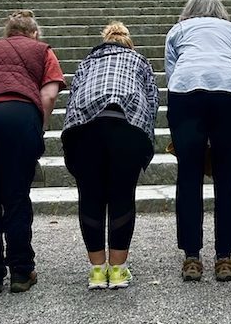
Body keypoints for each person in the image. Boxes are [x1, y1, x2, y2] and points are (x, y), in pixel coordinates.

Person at [0, 10, 65, 295]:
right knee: (16, 197)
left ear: (8, 32)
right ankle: (21, 272)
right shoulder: (42, 50)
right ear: (34, 33)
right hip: (18, 114)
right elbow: (50, 94)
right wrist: (38, 127)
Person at [62, 21, 159, 290]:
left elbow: (73, 96)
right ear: (128, 42)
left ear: (104, 41)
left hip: (84, 128)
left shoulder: (87, 61)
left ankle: (96, 272)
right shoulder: (139, 60)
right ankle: (117, 271)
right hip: (126, 126)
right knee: (122, 196)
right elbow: (152, 100)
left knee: (90, 197)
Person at [165, 0, 231, 282]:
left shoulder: (178, 30)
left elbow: (171, 71)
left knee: (188, 174)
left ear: (189, 10)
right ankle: (224, 256)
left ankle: (191, 256)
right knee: (227, 173)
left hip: (187, 91)